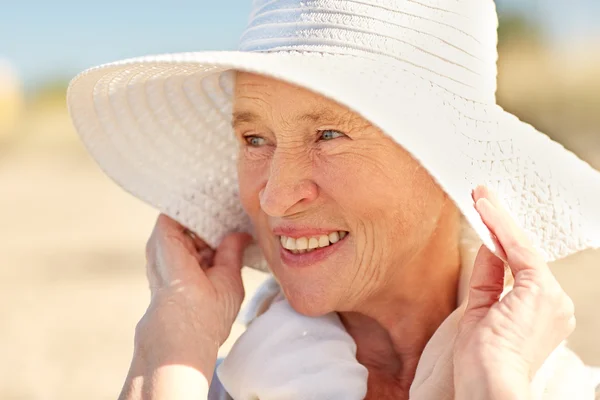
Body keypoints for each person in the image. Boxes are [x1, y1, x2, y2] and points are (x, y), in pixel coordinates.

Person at [66, 0, 600, 398]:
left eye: (328, 135)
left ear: (448, 165)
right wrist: (169, 346)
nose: (274, 197)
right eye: (255, 139)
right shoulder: (210, 381)